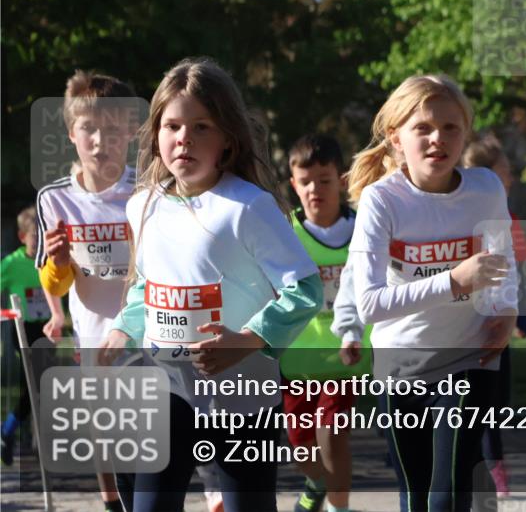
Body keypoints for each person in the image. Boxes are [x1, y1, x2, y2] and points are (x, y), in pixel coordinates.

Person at [97, 57, 322, 512]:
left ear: (227, 139)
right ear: (156, 134)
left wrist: (247, 341)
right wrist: (123, 328)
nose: (184, 138)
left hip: (243, 396)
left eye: (202, 126)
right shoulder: (142, 205)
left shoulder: (248, 206)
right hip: (168, 388)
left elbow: (305, 290)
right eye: (173, 125)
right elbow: (148, 284)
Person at [347, 74, 518, 512]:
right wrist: (454, 281)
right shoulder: (381, 200)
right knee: (416, 494)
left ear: (464, 135)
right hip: (400, 362)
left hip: (468, 355)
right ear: (396, 138)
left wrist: (506, 311)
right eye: (422, 127)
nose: (437, 138)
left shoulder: (485, 188)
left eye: (450, 128)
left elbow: (503, 264)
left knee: (450, 490)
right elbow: (370, 305)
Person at [35, 71, 139, 512]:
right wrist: (58, 264)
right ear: (71, 133)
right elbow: (55, 283)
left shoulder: (148, 189)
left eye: (113, 130)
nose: (101, 141)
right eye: (90, 129)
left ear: (131, 132)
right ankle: (112, 501)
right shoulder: (54, 199)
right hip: (93, 334)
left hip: (146, 331)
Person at [278, 133, 365, 512]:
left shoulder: (364, 229)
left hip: (346, 353)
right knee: (300, 443)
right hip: (296, 358)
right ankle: (314, 484)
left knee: (332, 435)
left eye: (325, 180)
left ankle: (338, 507)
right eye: (306, 181)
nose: (316, 189)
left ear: (341, 182)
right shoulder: (284, 234)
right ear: (293, 185)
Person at [461, 134, 526, 498]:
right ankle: (484, 471)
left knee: (492, 404)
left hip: (496, 321)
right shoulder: (457, 214)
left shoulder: (509, 218)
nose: (511, 179)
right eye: (505, 172)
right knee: (472, 404)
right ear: (485, 176)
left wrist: (519, 317)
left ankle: (489, 470)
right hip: (463, 325)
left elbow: (514, 270)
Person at [0, 206, 58, 465]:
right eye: (36, 236)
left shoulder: (50, 260)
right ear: (23, 237)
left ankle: (11, 433)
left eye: (43, 235)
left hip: (49, 328)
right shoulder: (11, 264)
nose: (41, 241)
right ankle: (9, 431)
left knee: (41, 386)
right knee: (38, 384)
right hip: (23, 330)